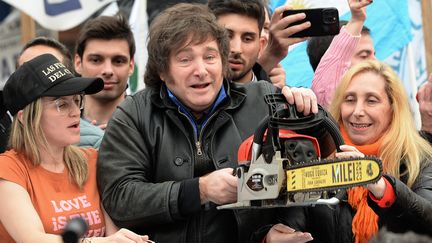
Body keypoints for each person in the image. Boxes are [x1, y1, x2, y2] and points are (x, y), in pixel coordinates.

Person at [97, 3, 318, 243]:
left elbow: (299, 180)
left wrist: (278, 230)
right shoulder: (134, 114)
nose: (201, 70)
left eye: (210, 57)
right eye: (185, 59)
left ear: (223, 62)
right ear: (162, 70)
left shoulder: (263, 100)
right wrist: (199, 190)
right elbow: (120, 197)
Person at [263, 60, 432, 243]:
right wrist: (270, 239)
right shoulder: (317, 156)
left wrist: (380, 185)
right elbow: (290, 224)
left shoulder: (420, 159)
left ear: (393, 108)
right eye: (350, 100)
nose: (358, 111)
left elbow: (427, 221)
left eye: (371, 101)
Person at [0, 54, 150, 242]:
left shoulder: (92, 160)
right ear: (25, 117)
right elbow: (32, 239)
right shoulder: (8, 168)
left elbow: (113, 234)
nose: (74, 112)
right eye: (61, 104)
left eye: (77, 101)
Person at [18, 36, 104, 149]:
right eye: (28, 73)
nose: (75, 112)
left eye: (50, 68)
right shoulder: (5, 134)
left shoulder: (94, 145)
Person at [207, 0, 309, 87]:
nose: (237, 49)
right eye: (227, 36)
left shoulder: (282, 98)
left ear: (261, 44)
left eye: (247, 39)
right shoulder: (194, 95)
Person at [74, 15, 135, 129]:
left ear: (131, 66)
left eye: (118, 61)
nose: (108, 70)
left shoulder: (150, 127)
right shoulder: (54, 128)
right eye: (96, 60)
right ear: (78, 63)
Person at [310, 0, 375, 108]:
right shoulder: (327, 109)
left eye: (374, 54)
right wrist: (356, 20)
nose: (375, 62)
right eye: (364, 56)